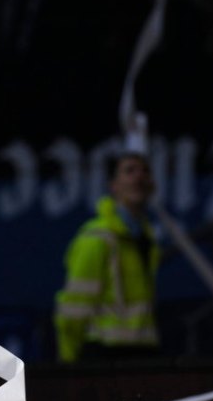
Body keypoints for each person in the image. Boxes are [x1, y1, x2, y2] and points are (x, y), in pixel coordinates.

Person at [54, 151, 162, 363]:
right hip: (103, 355)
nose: (139, 177)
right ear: (114, 185)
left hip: (143, 353)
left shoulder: (146, 237)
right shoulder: (96, 237)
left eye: (145, 171)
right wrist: (68, 362)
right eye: (129, 171)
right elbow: (74, 308)